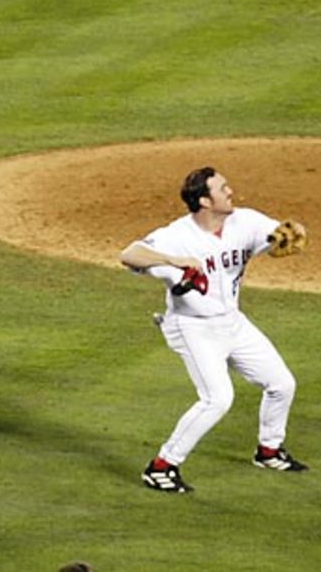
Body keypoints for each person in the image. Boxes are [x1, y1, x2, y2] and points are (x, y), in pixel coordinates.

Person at [119, 166, 308, 494]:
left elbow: (280, 234)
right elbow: (129, 254)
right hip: (192, 328)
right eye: (223, 188)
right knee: (217, 399)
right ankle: (162, 466)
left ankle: (269, 451)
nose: (231, 191)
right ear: (205, 201)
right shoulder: (177, 235)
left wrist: (289, 235)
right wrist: (175, 261)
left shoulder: (245, 220)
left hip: (232, 322)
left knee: (281, 384)